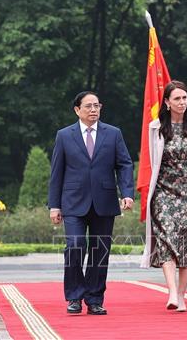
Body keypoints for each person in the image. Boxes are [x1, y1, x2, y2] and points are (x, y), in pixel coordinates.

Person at [47, 91, 134, 316]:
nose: (93, 110)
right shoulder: (64, 136)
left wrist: (127, 193)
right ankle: (75, 296)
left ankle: (94, 298)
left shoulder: (113, 134)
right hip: (73, 202)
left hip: (104, 201)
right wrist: (54, 205)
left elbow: (124, 164)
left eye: (96, 105)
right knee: (75, 245)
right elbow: (57, 172)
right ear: (77, 110)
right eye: (88, 106)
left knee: (99, 251)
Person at [140, 80, 187, 312]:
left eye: (184, 98)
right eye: (177, 99)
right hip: (164, 190)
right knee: (166, 237)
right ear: (167, 102)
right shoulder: (156, 127)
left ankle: (181, 295)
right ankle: (171, 291)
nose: (182, 103)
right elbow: (153, 160)